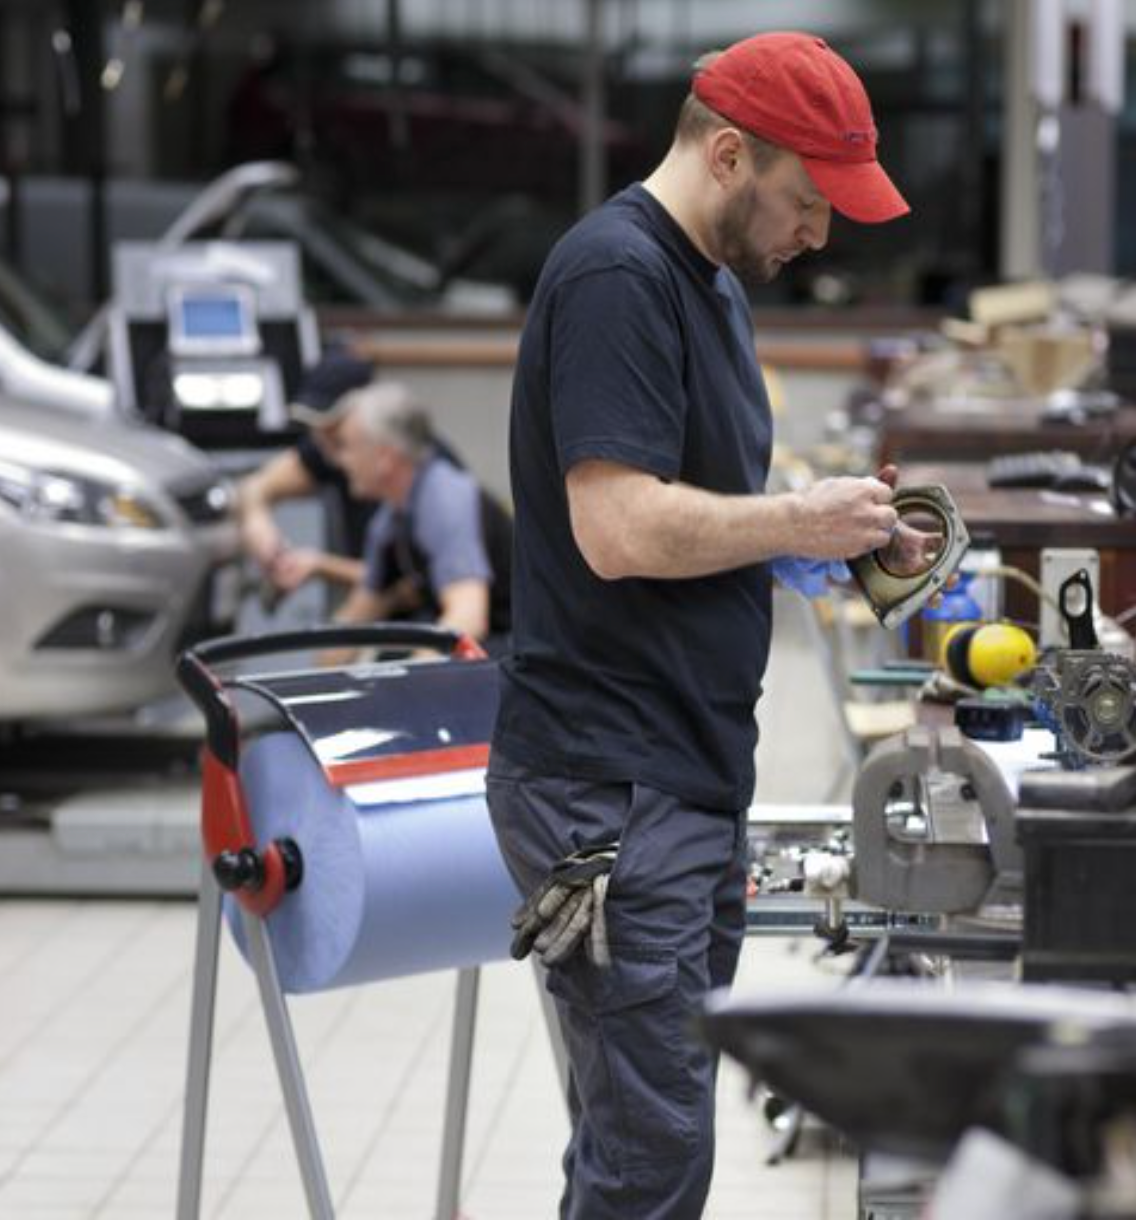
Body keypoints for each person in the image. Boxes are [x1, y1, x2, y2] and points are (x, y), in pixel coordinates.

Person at [485, 31, 911, 1219]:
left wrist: (834, 541)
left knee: (636, 1142)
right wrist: (792, 516)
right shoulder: (617, 277)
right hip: (606, 787)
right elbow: (616, 527)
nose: (819, 237)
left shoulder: (712, 285)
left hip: (680, 767)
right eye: (808, 204)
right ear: (728, 153)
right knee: (649, 1159)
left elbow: (702, 509)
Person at [327, 380, 512, 656]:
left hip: (515, 648)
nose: (342, 461)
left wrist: (407, 682)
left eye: (348, 447)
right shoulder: (391, 520)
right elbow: (357, 615)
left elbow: (469, 619)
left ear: (385, 458)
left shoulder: (445, 499)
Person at [235, 350, 378, 601]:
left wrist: (319, 566)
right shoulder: (326, 449)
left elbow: (404, 586)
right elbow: (256, 487)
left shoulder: (418, 475)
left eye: (333, 430)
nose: (323, 442)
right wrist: (258, 524)